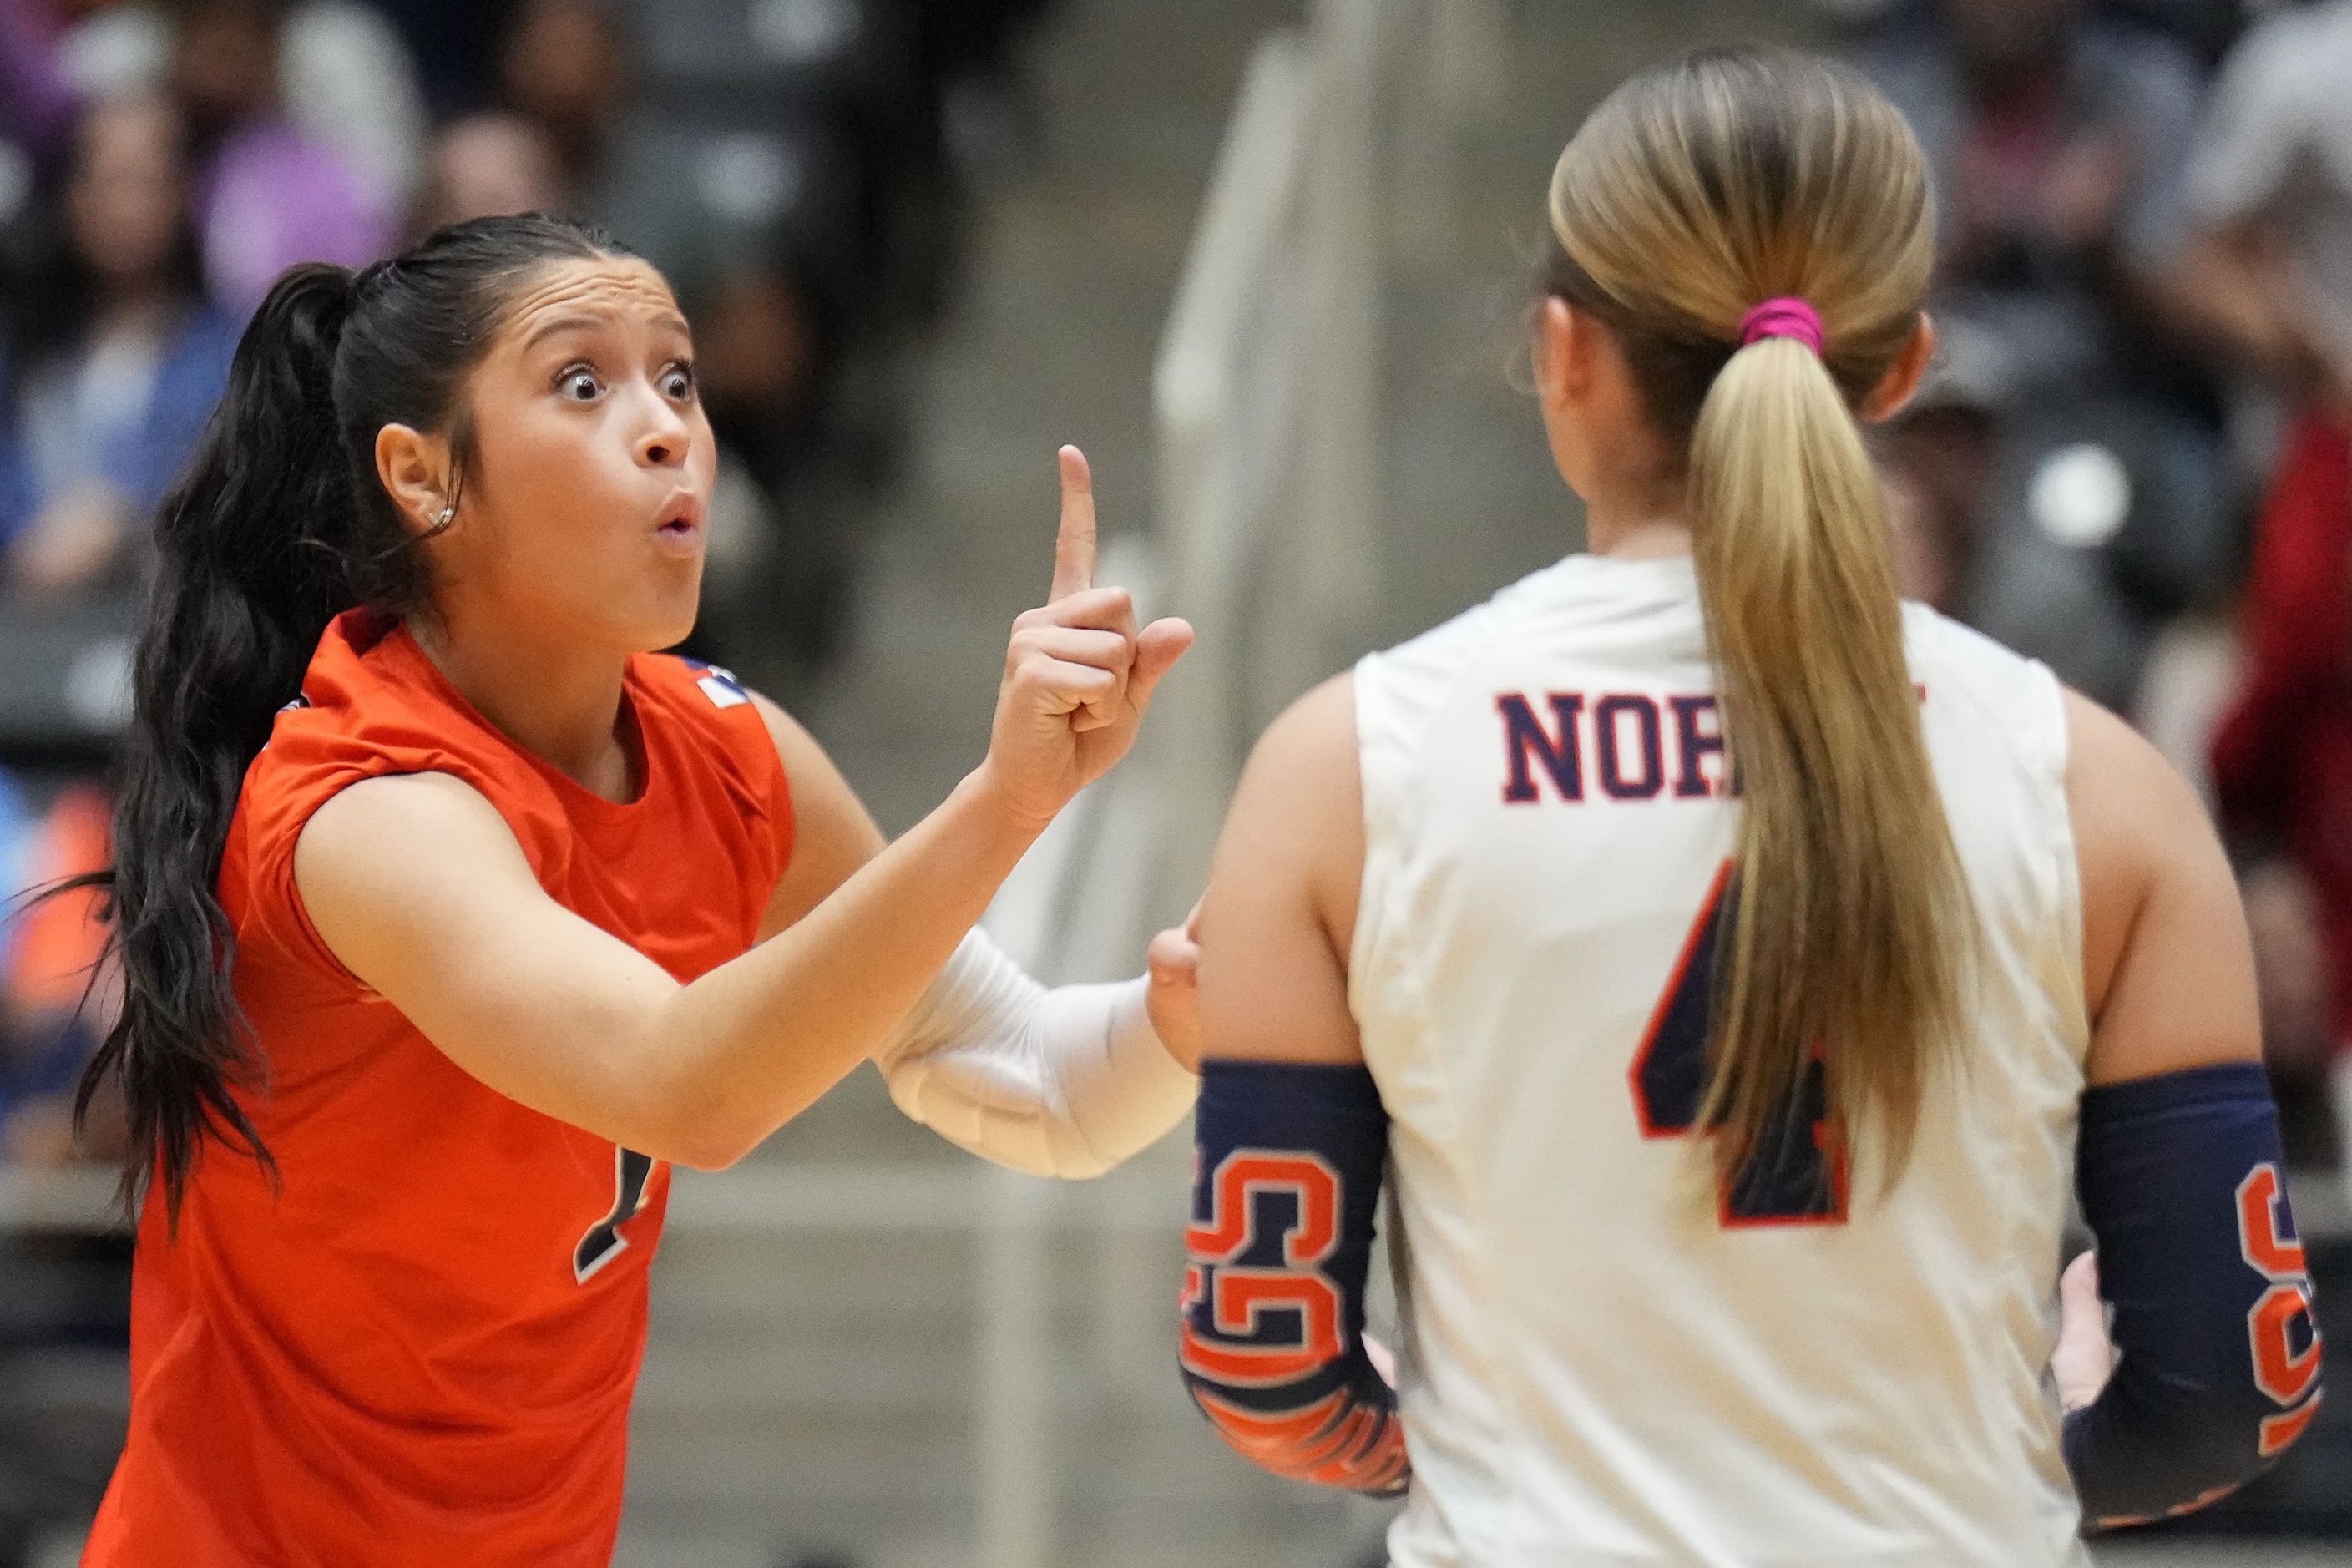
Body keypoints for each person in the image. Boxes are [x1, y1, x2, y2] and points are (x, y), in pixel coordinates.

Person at [1165, 48, 2322, 1560]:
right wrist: (2004, 1465)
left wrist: (1472, 1454)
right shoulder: (2096, 784)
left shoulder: (1347, 769)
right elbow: (2224, 1392)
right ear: (1901, 367)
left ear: (1561, 354)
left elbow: (1262, 1362)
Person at [72, 212, 1198, 1564]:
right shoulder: (369, 808)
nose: (666, 427)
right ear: (423, 476)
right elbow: (688, 1085)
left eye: (677, 377)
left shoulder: (733, 757)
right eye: (582, 383)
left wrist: (1204, 1008)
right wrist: (1004, 799)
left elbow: (1025, 1072)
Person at [0, 94, 235, 599]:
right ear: (71, 197)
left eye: (145, 182)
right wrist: (26, 534)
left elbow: (232, 489)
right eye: (107, 181)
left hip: (165, 621)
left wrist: (122, 516)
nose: (125, 208)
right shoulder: (23, 348)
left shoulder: (229, 351)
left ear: (183, 195)